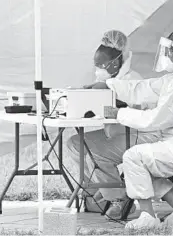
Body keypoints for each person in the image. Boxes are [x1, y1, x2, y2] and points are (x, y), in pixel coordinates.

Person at [95, 32, 173, 229]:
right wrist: (108, 84)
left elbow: (156, 119)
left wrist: (119, 113)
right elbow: (142, 88)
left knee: (134, 158)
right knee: (140, 165)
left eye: (167, 53)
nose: (164, 57)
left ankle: (148, 218)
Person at [66, 30, 143, 219]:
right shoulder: (109, 80)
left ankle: (119, 199)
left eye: (100, 65)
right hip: (116, 134)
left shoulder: (133, 80)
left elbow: (130, 110)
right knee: (75, 143)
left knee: (95, 152)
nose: (96, 70)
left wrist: (103, 93)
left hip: (138, 135)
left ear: (115, 63)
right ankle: (101, 190)